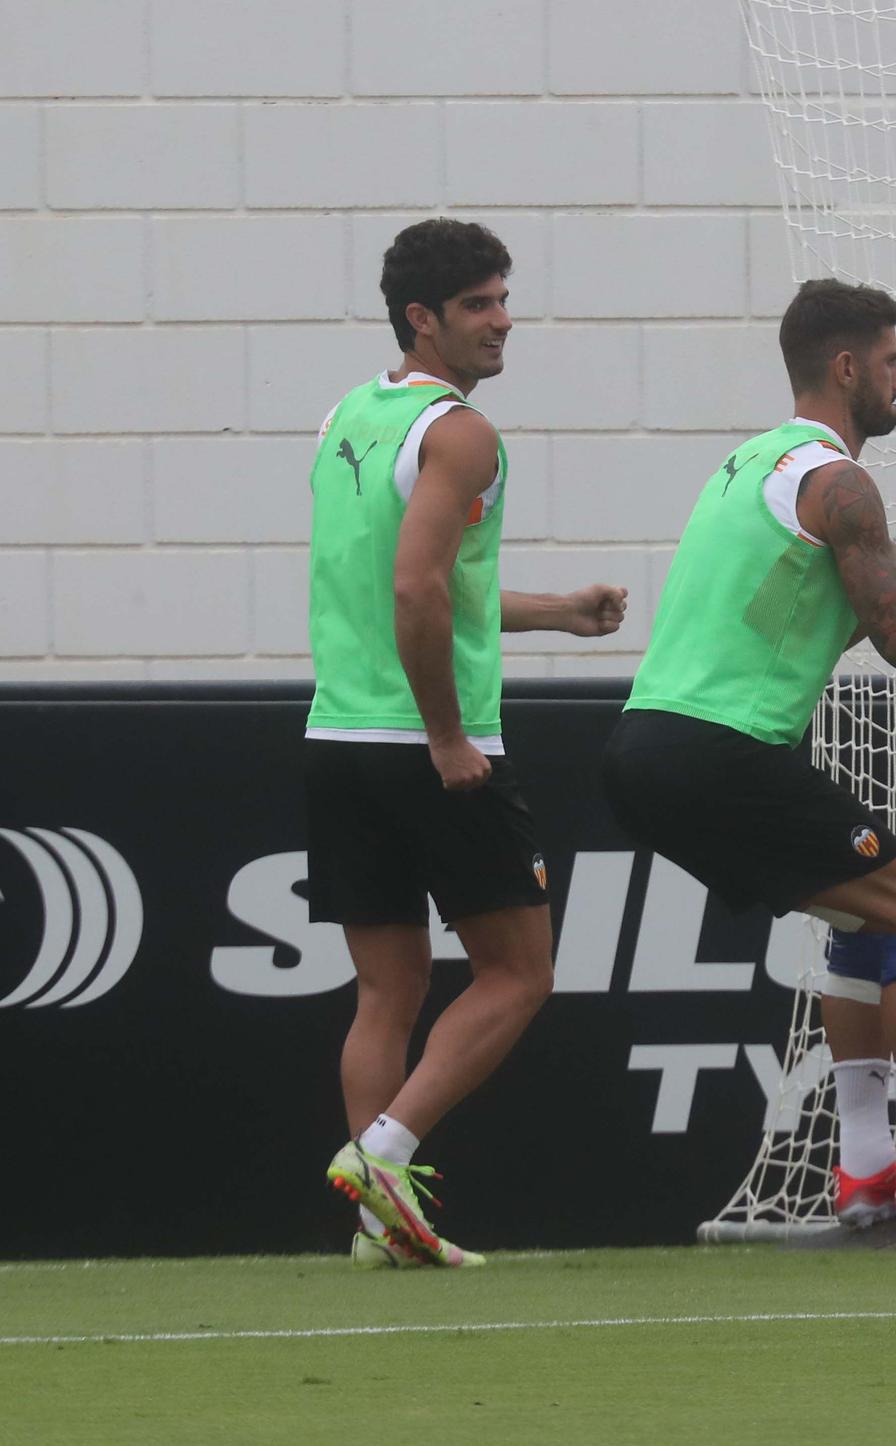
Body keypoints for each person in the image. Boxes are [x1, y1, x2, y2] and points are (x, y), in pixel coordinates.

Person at [603, 278, 896, 1226]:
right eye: (891, 362)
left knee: (867, 920)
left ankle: (863, 1172)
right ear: (847, 368)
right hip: (718, 750)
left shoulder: (756, 463)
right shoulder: (843, 481)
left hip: (649, 750)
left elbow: (817, 628)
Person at [312, 219, 628, 1268]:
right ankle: (385, 1156)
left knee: (385, 991)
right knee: (519, 973)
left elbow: (429, 589)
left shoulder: (346, 417)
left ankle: (377, 1229)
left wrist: (557, 613)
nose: (503, 321)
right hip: (422, 743)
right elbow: (415, 590)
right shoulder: (461, 433)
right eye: (480, 305)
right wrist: (448, 736)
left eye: (502, 299)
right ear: (423, 318)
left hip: (339, 738)